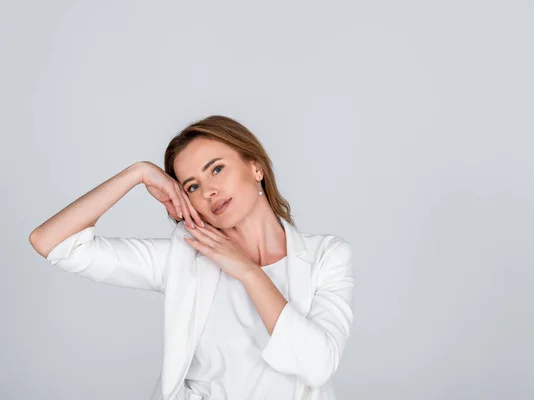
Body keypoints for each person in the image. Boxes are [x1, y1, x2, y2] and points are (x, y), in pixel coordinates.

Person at [29, 115, 355, 400]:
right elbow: (51, 242)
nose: (209, 190)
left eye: (216, 168)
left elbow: (318, 365)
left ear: (256, 167)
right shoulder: (184, 258)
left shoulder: (326, 255)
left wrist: (249, 273)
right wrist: (137, 173)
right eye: (193, 186)